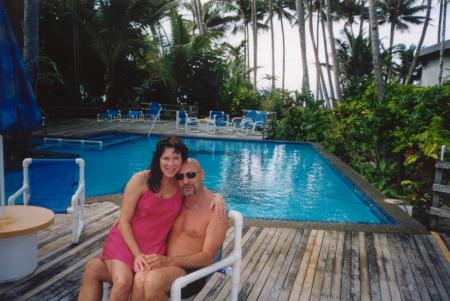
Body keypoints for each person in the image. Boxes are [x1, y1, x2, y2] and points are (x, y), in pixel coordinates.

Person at [77, 137, 225, 301]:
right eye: (166, 158)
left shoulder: (187, 191)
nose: (172, 164)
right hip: (134, 246)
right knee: (112, 277)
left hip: (163, 255)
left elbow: (197, 187)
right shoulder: (151, 182)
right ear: (158, 159)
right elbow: (126, 219)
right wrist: (137, 250)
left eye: (176, 158)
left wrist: (219, 196)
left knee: (105, 271)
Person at [131, 158, 228, 300]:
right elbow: (147, 206)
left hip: (194, 272)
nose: (186, 181)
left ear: (202, 175)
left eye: (191, 175)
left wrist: (169, 261)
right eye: (180, 176)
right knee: (139, 278)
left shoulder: (215, 210)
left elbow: (208, 257)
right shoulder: (175, 199)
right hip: (165, 262)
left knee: (153, 281)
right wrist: (127, 216)